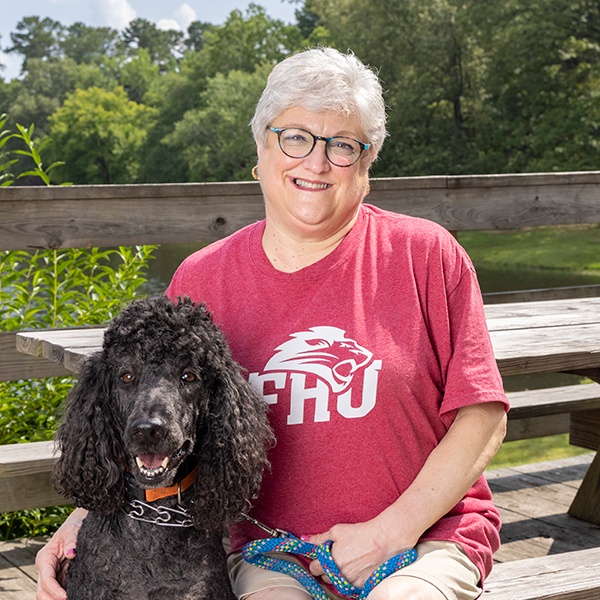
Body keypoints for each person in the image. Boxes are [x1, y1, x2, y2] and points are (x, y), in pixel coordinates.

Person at [36, 47, 508, 600]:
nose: (316, 162)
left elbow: (482, 417)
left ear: (367, 163)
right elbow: (148, 408)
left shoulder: (426, 255)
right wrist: (80, 522)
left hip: (425, 540)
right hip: (270, 552)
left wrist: (389, 534)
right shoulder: (202, 278)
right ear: (260, 151)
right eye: (295, 137)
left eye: (342, 145)